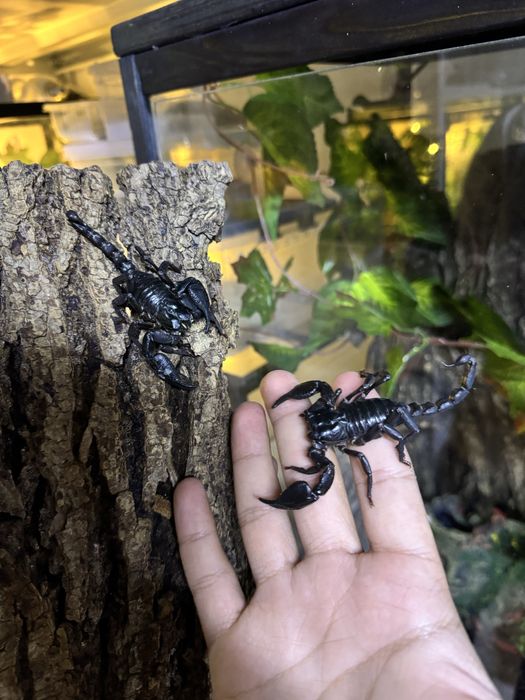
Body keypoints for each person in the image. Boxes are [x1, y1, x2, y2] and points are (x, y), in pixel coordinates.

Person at [173, 369, 502, 699]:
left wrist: (400, 442)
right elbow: (321, 388)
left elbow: (339, 460)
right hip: (355, 416)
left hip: (371, 419)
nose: (312, 433)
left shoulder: (344, 446)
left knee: (358, 453)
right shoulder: (328, 419)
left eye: (316, 433)